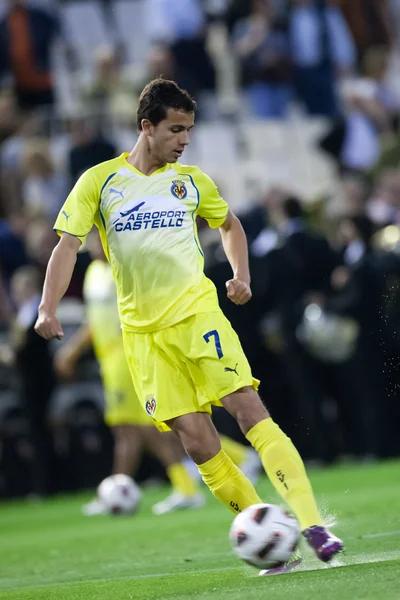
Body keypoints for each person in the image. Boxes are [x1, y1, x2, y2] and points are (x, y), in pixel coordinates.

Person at [35, 78, 343, 575]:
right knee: (199, 445)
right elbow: (66, 245)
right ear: (146, 126)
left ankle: (312, 525)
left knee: (248, 411)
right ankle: (271, 542)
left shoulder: (192, 181)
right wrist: (48, 307)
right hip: (143, 337)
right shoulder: (99, 182)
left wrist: (240, 275)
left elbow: (230, 225)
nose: (183, 140)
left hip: (197, 316)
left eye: (189, 131)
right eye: (175, 130)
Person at [54, 230, 204, 515]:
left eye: (100, 240)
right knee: (130, 429)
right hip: (109, 362)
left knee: (139, 428)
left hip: (130, 356)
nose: (96, 247)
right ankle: (161, 486)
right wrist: (72, 350)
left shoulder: (128, 269)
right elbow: (95, 321)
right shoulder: (95, 273)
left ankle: (165, 486)